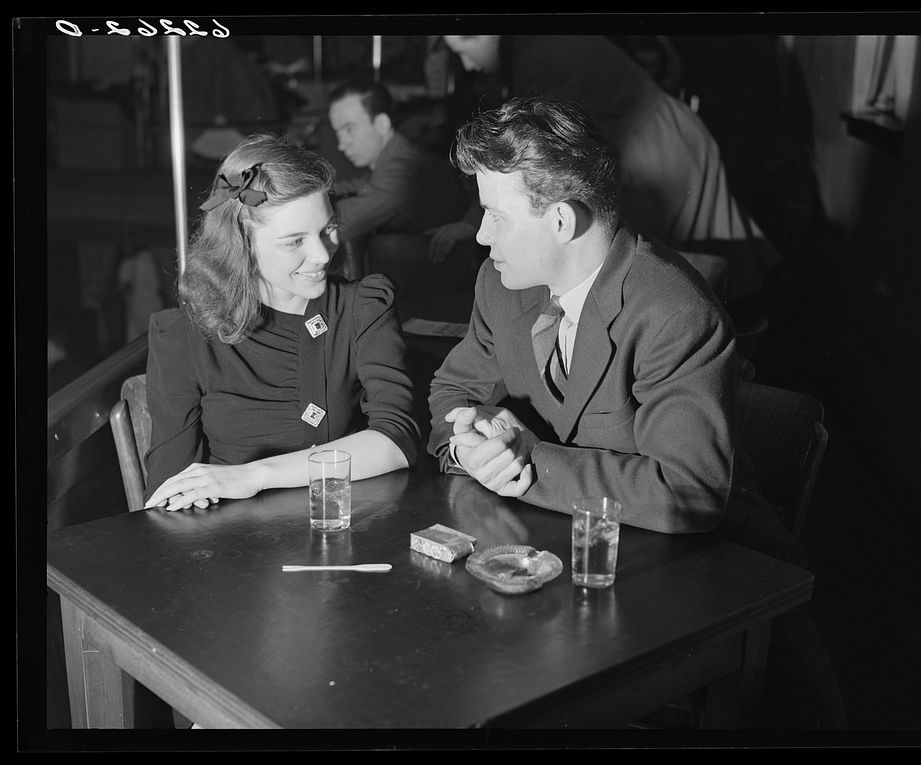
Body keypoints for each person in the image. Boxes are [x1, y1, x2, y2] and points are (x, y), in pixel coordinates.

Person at [427, 96, 846, 729]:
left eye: (492, 214)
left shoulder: (674, 310)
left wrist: (527, 464)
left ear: (561, 221)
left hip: (707, 588)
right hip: (561, 571)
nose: (480, 235)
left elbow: (690, 492)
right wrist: (469, 442)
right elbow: (453, 389)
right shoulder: (501, 282)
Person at [142, 133, 421, 512]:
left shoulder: (362, 307)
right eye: (295, 242)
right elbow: (168, 493)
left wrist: (252, 476)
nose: (322, 254)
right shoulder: (184, 336)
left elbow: (396, 439)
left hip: (341, 531)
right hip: (234, 550)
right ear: (242, 243)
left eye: (328, 229)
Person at [432, 35, 782, 327]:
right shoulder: (532, 46)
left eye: (464, 47)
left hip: (658, 148)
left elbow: (523, 159)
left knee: (674, 268)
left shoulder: (538, 53)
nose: (466, 64)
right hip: (650, 140)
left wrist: (471, 221)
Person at [327, 79, 481, 294]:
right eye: (338, 133)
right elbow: (361, 185)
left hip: (445, 278)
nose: (342, 145)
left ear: (381, 124)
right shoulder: (394, 157)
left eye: (350, 129)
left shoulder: (403, 166)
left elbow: (343, 222)